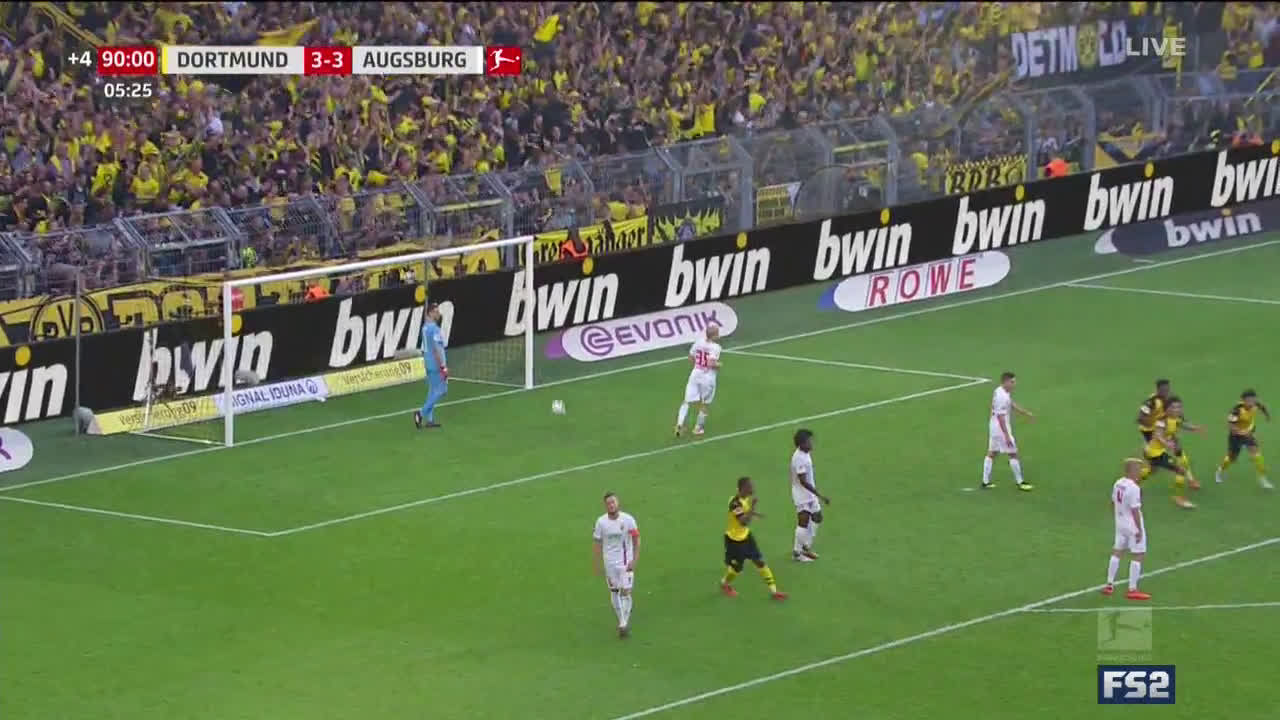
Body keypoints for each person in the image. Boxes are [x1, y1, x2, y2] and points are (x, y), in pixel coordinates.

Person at [721, 476, 787, 601]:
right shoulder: (735, 503)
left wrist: (755, 514)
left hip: (746, 537)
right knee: (736, 569)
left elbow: (745, 513)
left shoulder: (744, 499)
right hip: (735, 541)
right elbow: (743, 522)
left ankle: (774, 591)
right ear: (743, 488)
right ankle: (724, 583)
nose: (753, 488)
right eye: (750, 486)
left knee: (760, 561)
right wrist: (753, 508)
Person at [1141, 396, 1204, 508]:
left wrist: (1195, 428)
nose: (1176, 409)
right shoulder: (1162, 420)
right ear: (1167, 409)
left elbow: (1181, 424)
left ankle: (1131, 482)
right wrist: (1167, 444)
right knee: (1180, 470)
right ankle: (1179, 498)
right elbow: (1158, 434)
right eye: (1173, 407)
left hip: (1157, 450)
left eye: (1179, 407)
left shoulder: (1175, 418)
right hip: (1155, 453)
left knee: (1152, 470)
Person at [592, 492, 640, 638]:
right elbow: (597, 543)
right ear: (605, 506)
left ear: (618, 503)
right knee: (614, 591)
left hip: (625, 562)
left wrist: (635, 560)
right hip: (610, 564)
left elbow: (636, 539)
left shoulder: (628, 520)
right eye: (608, 503)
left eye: (613, 502)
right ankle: (622, 622)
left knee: (626, 591)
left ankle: (623, 623)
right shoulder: (601, 522)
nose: (611, 505)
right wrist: (597, 564)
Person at [1104, 458, 1151, 600]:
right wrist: (1139, 530)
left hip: (1120, 523)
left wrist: (1118, 516)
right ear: (1132, 471)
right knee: (1139, 554)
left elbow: (1113, 502)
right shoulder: (1134, 488)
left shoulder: (1118, 483)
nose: (1140, 472)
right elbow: (1135, 510)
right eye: (1138, 469)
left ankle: (1109, 585)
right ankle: (1132, 589)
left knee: (1117, 551)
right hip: (1132, 525)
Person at [981, 371, 1035, 491]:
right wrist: (1006, 436)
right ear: (1005, 382)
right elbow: (1001, 417)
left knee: (992, 453)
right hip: (1001, 429)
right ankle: (1020, 482)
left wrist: (1025, 413)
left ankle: (985, 482)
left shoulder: (1000, 391)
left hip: (994, 427)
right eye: (1012, 382)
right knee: (1013, 453)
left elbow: (1010, 403)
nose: (1014, 384)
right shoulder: (1002, 396)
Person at [1216, 389, 1272, 489]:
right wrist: (1243, 433)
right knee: (1232, 458)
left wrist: (1267, 415)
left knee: (1257, 454)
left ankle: (1263, 479)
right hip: (1236, 437)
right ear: (1243, 400)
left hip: (1248, 434)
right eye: (1248, 400)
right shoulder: (1237, 410)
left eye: (1253, 399)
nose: (1251, 402)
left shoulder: (1256, 404)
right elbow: (1230, 426)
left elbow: (1262, 407)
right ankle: (1219, 471)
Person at [789, 428, 830, 563]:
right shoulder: (799, 459)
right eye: (808, 441)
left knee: (817, 517)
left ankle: (805, 545)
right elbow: (803, 481)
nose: (811, 443)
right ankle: (797, 553)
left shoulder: (805, 453)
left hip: (810, 494)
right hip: (802, 495)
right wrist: (820, 495)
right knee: (803, 522)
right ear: (801, 444)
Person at [676, 324, 722, 437]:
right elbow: (711, 363)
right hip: (707, 377)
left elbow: (690, 357)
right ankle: (698, 428)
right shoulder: (716, 347)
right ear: (714, 335)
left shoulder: (699, 342)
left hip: (695, 373)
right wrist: (719, 365)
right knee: (704, 403)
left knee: (687, 400)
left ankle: (679, 424)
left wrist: (698, 367)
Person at [414, 303, 448, 430]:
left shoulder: (424, 328)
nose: (438, 314)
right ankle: (421, 413)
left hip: (428, 362)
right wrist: (443, 366)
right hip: (436, 364)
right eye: (436, 311)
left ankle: (430, 420)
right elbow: (437, 349)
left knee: (432, 390)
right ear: (430, 313)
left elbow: (425, 347)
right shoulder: (435, 329)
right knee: (442, 390)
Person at [1137, 378, 1172, 444]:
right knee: (1156, 447)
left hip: (1159, 427)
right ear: (1158, 390)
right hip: (1149, 430)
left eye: (1168, 389)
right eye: (1164, 390)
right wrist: (1152, 424)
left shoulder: (1167, 399)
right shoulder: (1152, 401)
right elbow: (1140, 418)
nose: (1167, 392)